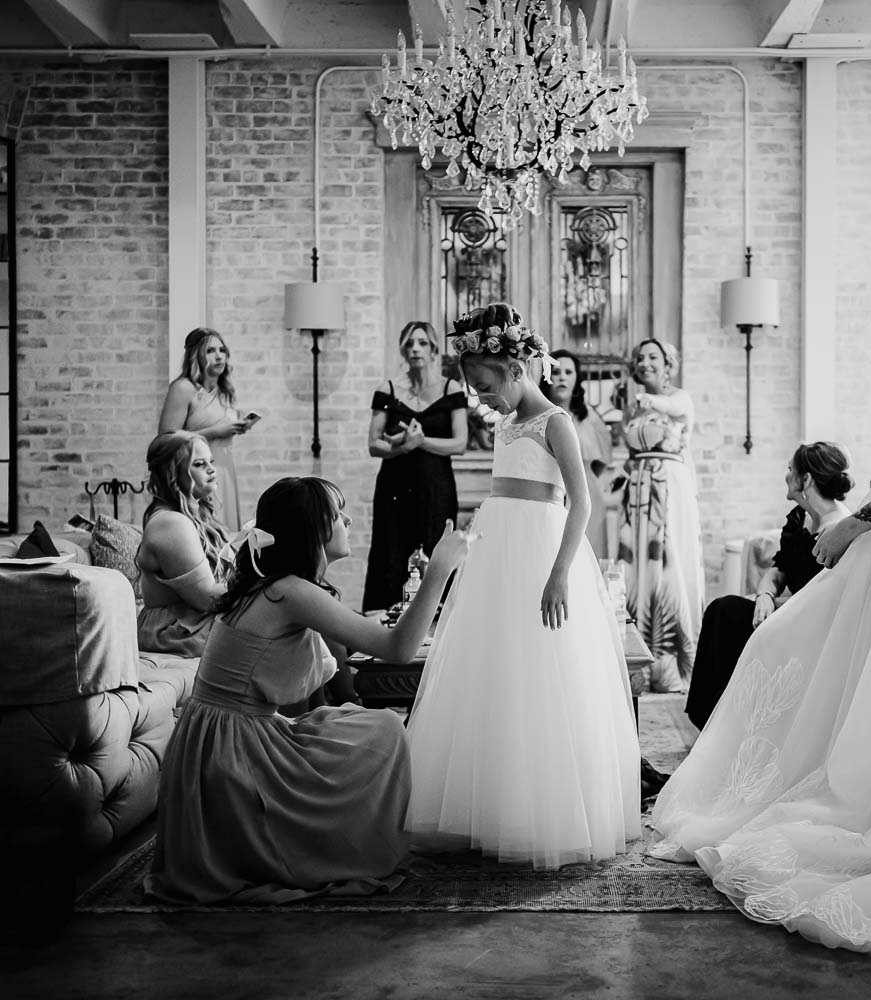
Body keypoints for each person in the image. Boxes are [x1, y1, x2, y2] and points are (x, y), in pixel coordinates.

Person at [648, 238, 871, 959]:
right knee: (790, 645)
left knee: (830, 660)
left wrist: (850, 526)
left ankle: (837, 802)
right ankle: (749, 786)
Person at [144, 476, 472, 905]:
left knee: (364, 725)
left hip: (215, 740)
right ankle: (349, 842)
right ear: (314, 529)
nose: (349, 519)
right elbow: (398, 648)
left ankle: (351, 831)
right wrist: (438, 574)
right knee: (384, 732)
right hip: (232, 753)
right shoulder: (290, 591)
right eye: (338, 514)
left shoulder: (273, 584)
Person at [404, 303, 641, 870]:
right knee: (495, 668)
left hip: (542, 548)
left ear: (515, 367)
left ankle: (544, 810)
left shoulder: (555, 421)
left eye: (485, 386)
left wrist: (559, 572)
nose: (481, 398)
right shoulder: (507, 423)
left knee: (544, 672)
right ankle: (490, 804)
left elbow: (581, 501)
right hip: (498, 547)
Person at [683, 441, 854, 730]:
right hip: (785, 611)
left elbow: (826, 599)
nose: (786, 476)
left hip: (813, 624)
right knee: (725, 611)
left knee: (726, 613)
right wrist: (764, 595)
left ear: (806, 479)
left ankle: (724, 722)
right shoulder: (801, 519)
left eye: (790, 470)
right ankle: (714, 719)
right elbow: (778, 570)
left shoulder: (838, 529)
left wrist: (775, 605)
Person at [616, 337, 704, 694]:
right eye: (640, 357)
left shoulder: (679, 398)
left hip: (667, 489)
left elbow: (668, 406)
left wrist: (645, 399)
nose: (645, 362)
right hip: (636, 491)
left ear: (669, 363)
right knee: (633, 572)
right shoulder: (630, 408)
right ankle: (633, 659)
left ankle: (669, 667)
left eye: (653, 356)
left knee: (667, 569)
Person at [362, 320, 468, 611]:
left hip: (436, 486)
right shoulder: (389, 389)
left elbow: (459, 443)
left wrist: (421, 443)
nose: (415, 349)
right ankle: (385, 624)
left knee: (435, 548)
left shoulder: (451, 388)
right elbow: (374, 444)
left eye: (421, 343)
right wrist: (401, 447)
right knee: (391, 550)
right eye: (409, 344)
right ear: (402, 350)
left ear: (434, 349)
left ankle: (435, 621)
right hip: (394, 485)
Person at [135, 430, 231, 657]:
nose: (211, 469)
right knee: (286, 616)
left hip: (196, 619)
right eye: (199, 464)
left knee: (294, 614)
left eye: (211, 461)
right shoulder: (170, 523)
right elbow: (207, 598)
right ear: (173, 472)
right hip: (177, 629)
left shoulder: (196, 516)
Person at [159, 328, 254, 534]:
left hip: (225, 469)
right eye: (210, 350)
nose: (219, 355)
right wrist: (213, 432)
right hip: (196, 473)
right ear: (196, 356)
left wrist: (236, 428)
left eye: (222, 350)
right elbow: (166, 438)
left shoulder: (224, 392)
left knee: (226, 533)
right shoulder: (183, 388)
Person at [548, 348, 615, 560]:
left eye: (568, 373)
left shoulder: (590, 417)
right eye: (557, 372)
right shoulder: (541, 415)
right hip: (550, 493)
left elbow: (601, 461)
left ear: (576, 379)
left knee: (586, 558)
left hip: (587, 493)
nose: (562, 378)